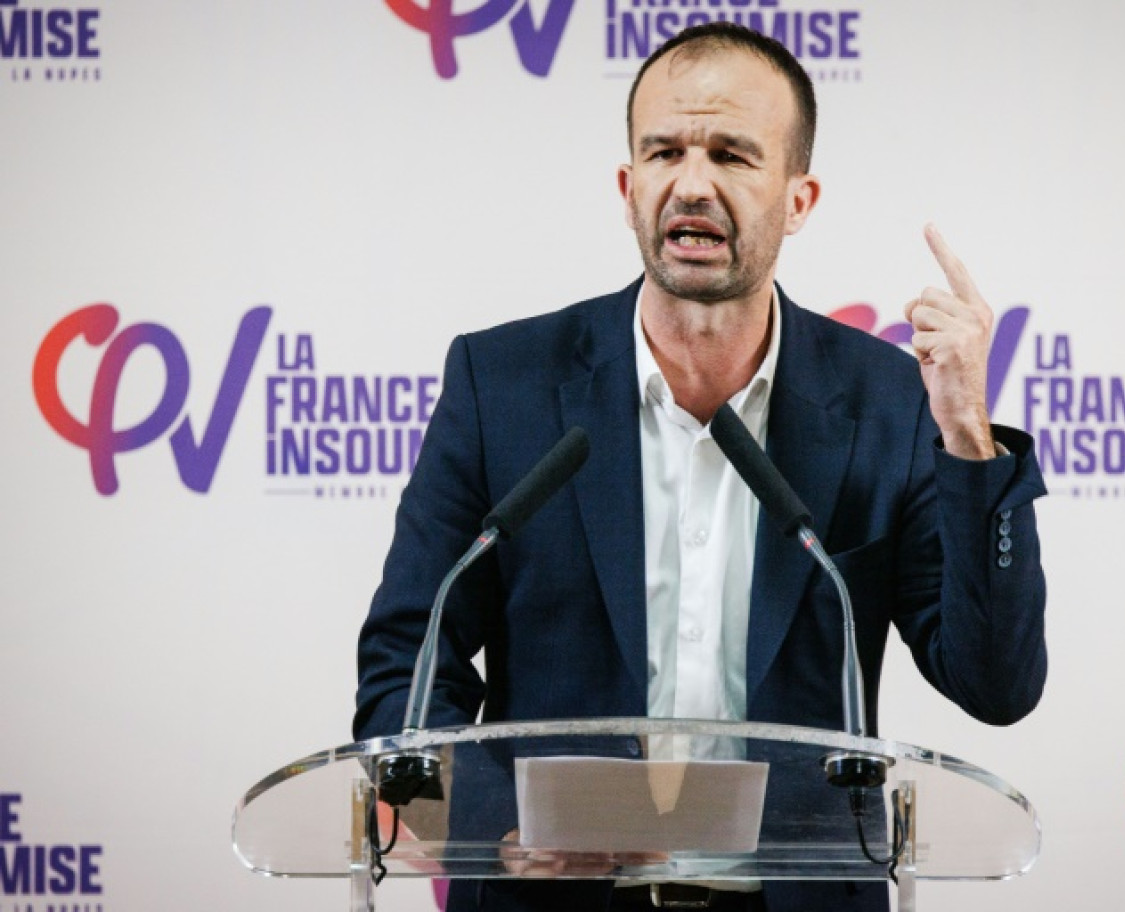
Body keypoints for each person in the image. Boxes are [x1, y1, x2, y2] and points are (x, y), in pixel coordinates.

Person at [354, 21, 1047, 912]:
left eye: (731, 155)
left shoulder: (890, 404)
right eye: (664, 152)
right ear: (627, 186)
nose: (692, 184)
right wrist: (500, 830)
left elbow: (996, 685)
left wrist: (966, 438)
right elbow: (404, 674)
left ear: (799, 200)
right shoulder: (505, 387)